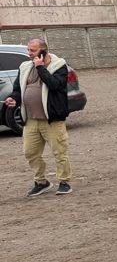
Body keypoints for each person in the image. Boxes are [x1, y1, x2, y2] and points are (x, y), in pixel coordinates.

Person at [4, 38, 73, 196]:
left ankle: (64, 181)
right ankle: (41, 182)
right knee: (30, 152)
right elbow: (18, 88)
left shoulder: (59, 66)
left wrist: (41, 68)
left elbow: (55, 85)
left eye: (33, 50)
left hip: (52, 119)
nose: (29, 53)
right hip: (31, 120)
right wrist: (14, 98)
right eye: (28, 50)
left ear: (43, 50)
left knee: (59, 152)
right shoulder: (25, 67)